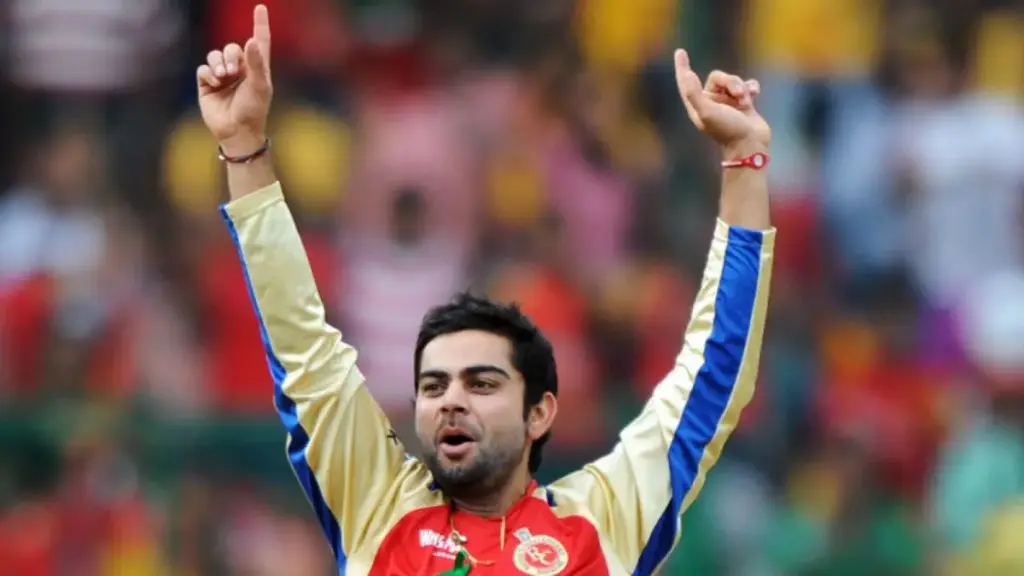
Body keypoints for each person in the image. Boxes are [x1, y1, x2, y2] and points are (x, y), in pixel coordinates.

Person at [197, 5, 774, 575]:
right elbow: (300, 343)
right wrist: (244, 148)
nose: (451, 400)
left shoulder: (601, 522)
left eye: (481, 383)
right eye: (433, 385)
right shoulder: (378, 507)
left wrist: (744, 164)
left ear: (538, 413)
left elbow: (712, 374)